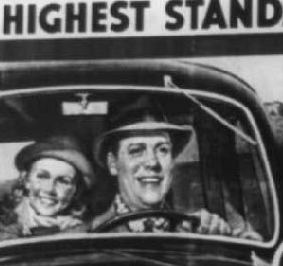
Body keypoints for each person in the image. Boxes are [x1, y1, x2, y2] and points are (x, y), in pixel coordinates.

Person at [89, 97, 255, 237]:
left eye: (163, 150)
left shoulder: (196, 230)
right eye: (137, 150)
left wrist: (221, 234)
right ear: (113, 164)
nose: (152, 162)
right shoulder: (88, 235)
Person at [0, 136, 94, 241]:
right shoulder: (1, 226)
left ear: (76, 190)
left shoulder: (85, 233)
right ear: (26, 180)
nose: (49, 189)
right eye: (42, 176)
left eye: (63, 181)